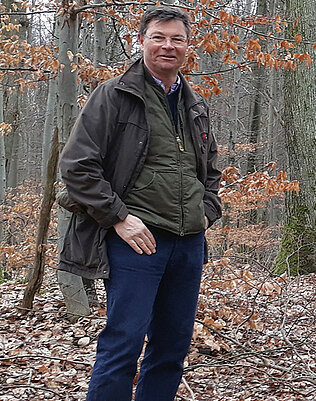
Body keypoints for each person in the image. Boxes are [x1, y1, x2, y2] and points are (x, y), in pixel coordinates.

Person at [58, 6, 222, 400]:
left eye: (177, 39)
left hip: (187, 244)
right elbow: (77, 168)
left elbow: (211, 173)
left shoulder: (194, 104)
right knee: (123, 343)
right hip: (136, 241)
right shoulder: (114, 95)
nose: (168, 46)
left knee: (172, 346)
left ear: (188, 46)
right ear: (142, 41)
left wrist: (207, 212)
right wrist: (120, 218)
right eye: (159, 37)